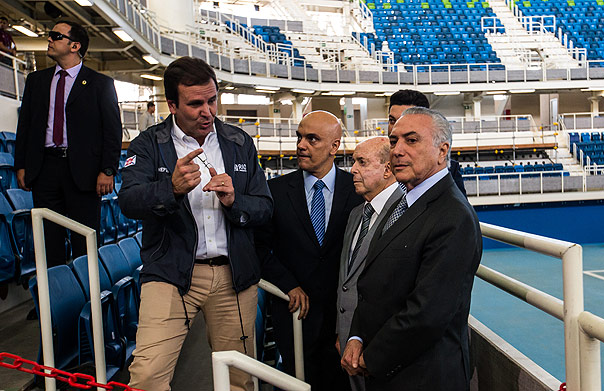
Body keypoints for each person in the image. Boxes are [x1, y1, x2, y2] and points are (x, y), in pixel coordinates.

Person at [118, 56, 272, 391]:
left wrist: (235, 202)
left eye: (213, 100)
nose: (208, 111)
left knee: (240, 380)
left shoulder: (239, 142)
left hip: (234, 276)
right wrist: (169, 189)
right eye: (196, 104)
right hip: (171, 274)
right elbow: (128, 201)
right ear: (172, 105)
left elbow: (264, 208)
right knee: (146, 378)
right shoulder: (148, 144)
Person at [341, 107, 482, 390]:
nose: (397, 150)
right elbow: (372, 283)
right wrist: (356, 336)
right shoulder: (400, 202)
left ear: (442, 152)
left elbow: (428, 314)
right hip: (390, 369)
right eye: (394, 141)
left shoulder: (453, 216)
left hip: (424, 376)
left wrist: (372, 356)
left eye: (412, 140)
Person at [257, 110, 363, 390]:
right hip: (294, 315)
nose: (301, 145)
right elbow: (259, 248)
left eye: (312, 139)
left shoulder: (358, 192)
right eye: (299, 137)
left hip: (343, 319)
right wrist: (288, 284)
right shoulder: (274, 191)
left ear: (334, 146)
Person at [14, 20, 121, 266]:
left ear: (75, 46)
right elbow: (26, 126)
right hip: (45, 171)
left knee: (84, 242)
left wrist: (107, 170)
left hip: (84, 173)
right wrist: (21, 164)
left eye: (55, 36)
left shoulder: (99, 84)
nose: (49, 39)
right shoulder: (36, 81)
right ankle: (54, 300)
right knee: (49, 242)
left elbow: (112, 131)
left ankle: (87, 299)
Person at [335, 137, 403, 391]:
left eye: (362, 162)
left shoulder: (404, 213)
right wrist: (343, 331)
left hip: (379, 344)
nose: (352, 169)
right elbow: (346, 279)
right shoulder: (357, 214)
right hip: (350, 339)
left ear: (387, 169)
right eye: (354, 161)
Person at [388, 89, 467, 196]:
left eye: (406, 119)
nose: (398, 126)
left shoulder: (448, 169)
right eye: (392, 120)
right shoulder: (369, 166)